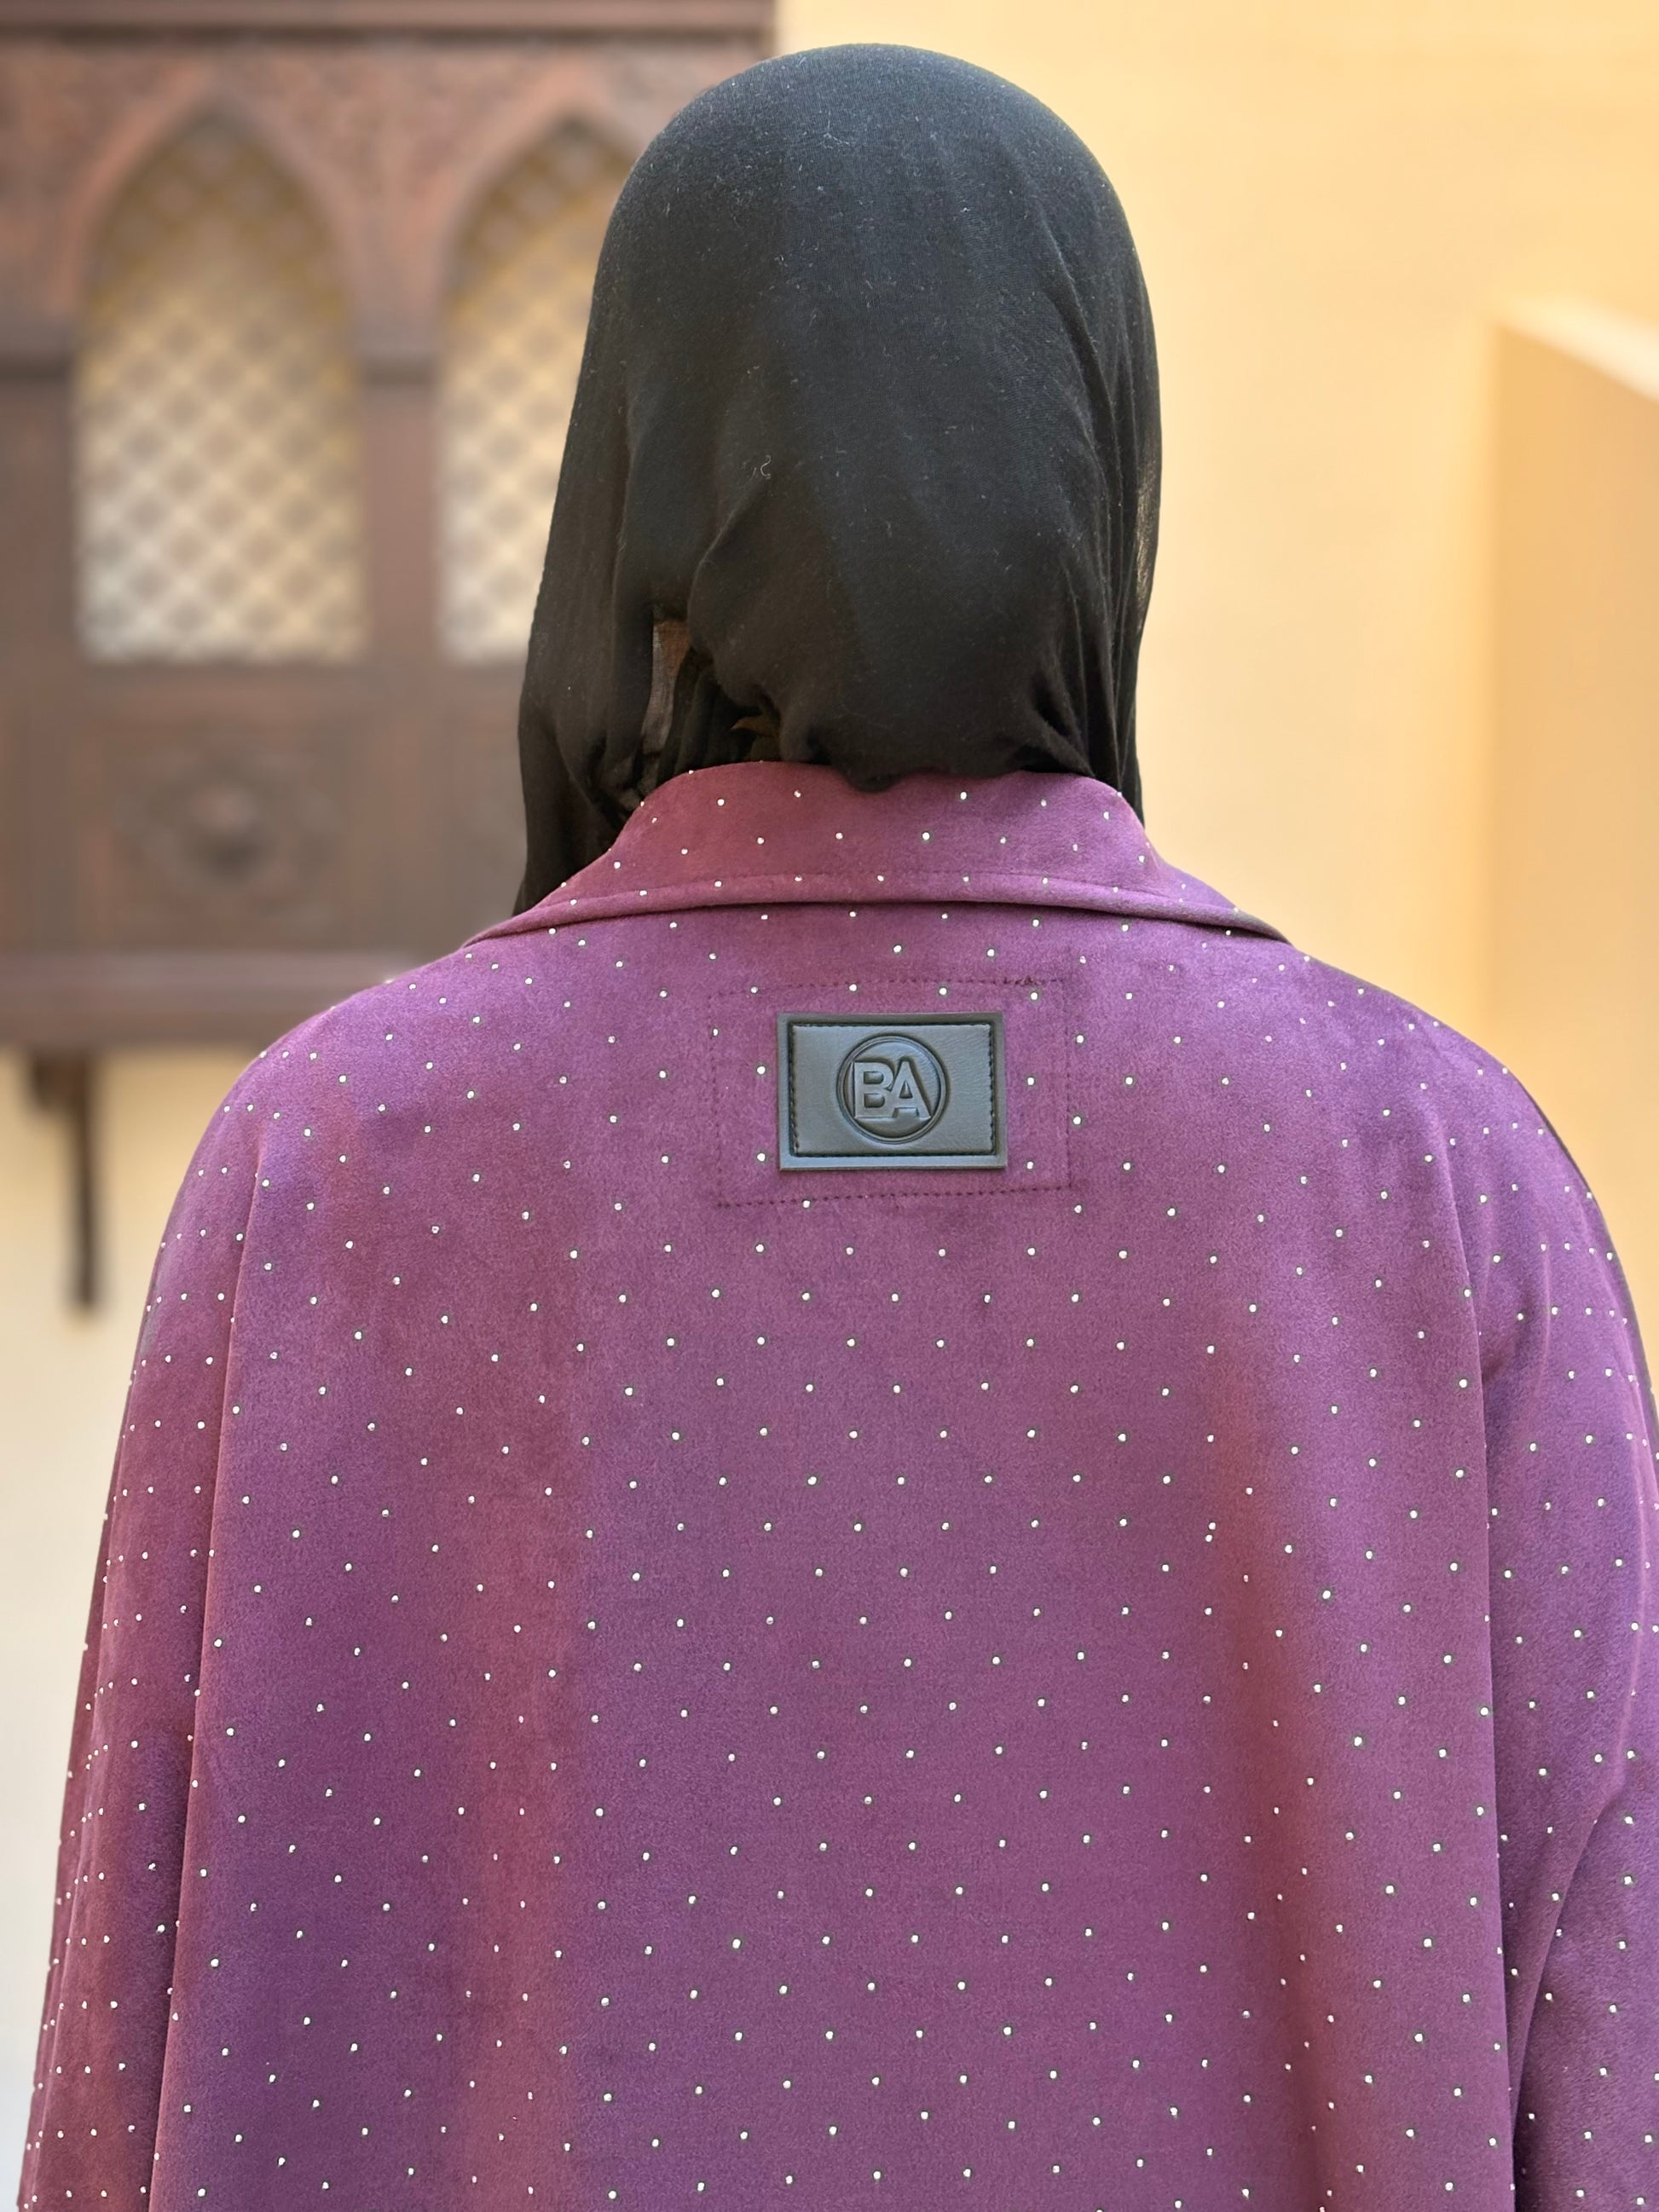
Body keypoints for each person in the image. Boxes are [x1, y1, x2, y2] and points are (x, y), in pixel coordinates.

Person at [20, 45, 1658, 2212]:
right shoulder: (1435, 1172)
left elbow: (123, 2053)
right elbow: (1610, 2044)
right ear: (1105, 488)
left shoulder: (332, 1162)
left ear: (630, 498)